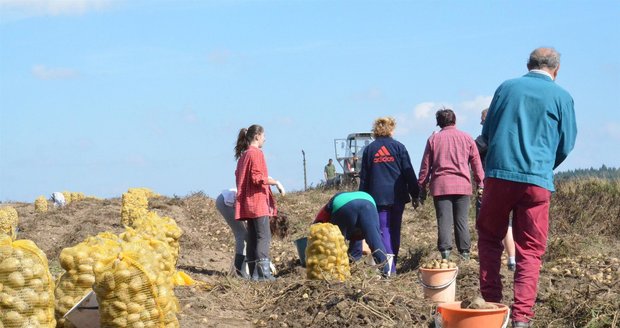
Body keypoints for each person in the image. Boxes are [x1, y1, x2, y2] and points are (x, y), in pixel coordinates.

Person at [477, 47, 577, 327]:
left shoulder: (506, 88)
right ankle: (522, 317)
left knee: (489, 238)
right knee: (530, 250)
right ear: (556, 70)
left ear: (527, 64)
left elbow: (487, 134)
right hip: (537, 181)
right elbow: (566, 145)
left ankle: (491, 306)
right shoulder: (562, 96)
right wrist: (543, 166)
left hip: (499, 175)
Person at [418, 109, 484, 261]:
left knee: (444, 221)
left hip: (441, 186)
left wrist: (421, 186)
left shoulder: (433, 140)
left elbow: (425, 166)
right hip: (462, 185)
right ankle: (465, 255)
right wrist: (481, 183)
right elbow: (476, 163)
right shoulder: (467, 138)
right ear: (455, 120)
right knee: (462, 221)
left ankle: (445, 256)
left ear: (439, 122)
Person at [359, 117, 420, 275]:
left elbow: (364, 177)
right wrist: (415, 193)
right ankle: (392, 266)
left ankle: (388, 268)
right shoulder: (399, 147)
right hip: (397, 196)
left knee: (384, 230)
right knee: (394, 230)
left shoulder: (370, 150)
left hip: (377, 198)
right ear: (391, 129)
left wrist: (362, 199)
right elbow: (409, 172)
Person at [234, 124, 285, 282]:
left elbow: (240, 176)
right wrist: (275, 182)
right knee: (264, 236)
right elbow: (257, 178)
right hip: (258, 203)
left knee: (253, 237)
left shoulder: (243, 156)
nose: (265, 138)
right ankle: (263, 274)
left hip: (248, 203)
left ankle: (254, 274)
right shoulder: (256, 153)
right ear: (257, 136)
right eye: (263, 136)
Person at [476, 108, 516, 271]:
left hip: (490, 184)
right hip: (511, 183)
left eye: (482, 120)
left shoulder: (484, 139)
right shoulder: (510, 135)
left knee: (487, 225)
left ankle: (492, 261)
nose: (481, 123)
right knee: (508, 223)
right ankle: (512, 258)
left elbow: (470, 150)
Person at [314, 191, 390, 275]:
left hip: (343, 205)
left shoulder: (334, 201)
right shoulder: (357, 234)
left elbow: (318, 222)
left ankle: (334, 274)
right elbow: (357, 242)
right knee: (375, 242)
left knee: (336, 244)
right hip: (368, 202)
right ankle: (386, 274)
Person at [215, 188, 248, 277]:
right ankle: (238, 271)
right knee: (242, 234)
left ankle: (238, 270)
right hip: (226, 202)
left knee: (244, 235)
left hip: (227, 200)